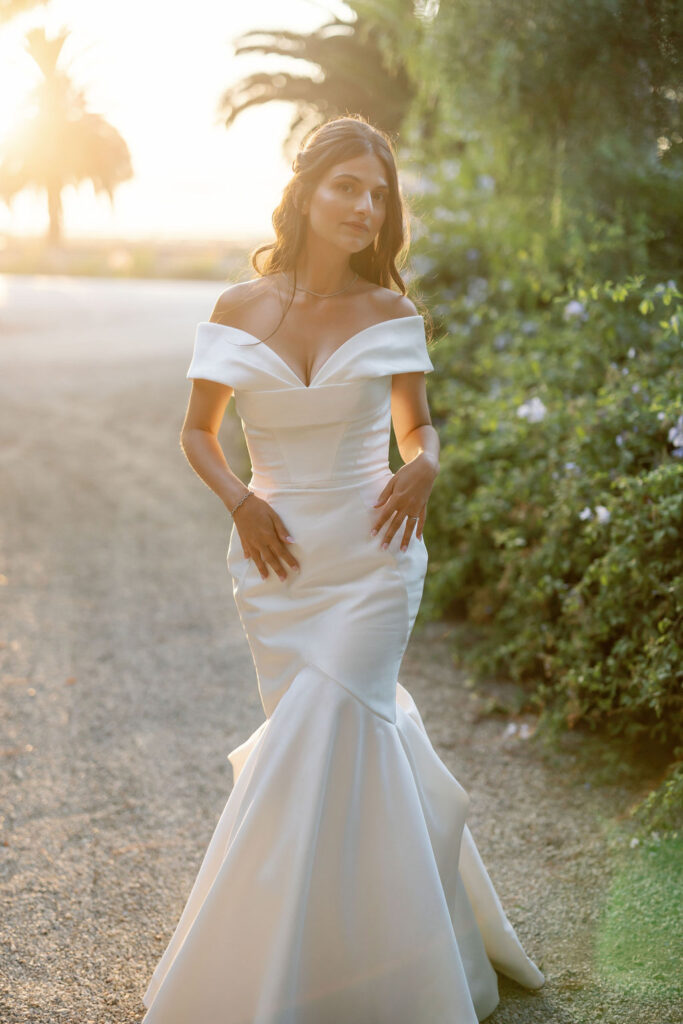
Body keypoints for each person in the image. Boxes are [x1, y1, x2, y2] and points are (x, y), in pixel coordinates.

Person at [141, 114, 544, 1024]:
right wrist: (242, 502)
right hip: (275, 555)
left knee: (329, 725)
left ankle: (329, 973)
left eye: (378, 193)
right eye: (347, 187)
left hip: (374, 549)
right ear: (306, 190)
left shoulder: (393, 312)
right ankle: (343, 953)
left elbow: (417, 425)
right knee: (327, 742)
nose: (365, 207)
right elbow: (197, 435)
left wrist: (428, 463)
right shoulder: (237, 308)